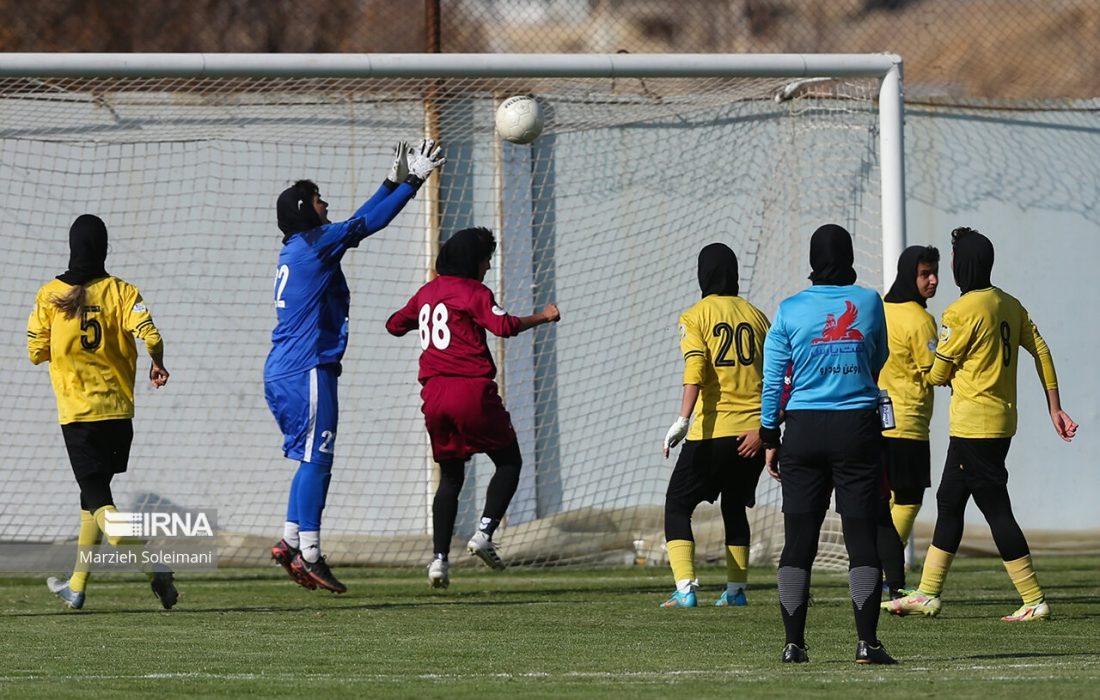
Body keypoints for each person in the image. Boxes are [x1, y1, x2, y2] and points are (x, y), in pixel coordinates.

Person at [266, 139, 446, 594]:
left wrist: (391, 180)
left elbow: (355, 224)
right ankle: (310, 552)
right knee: (318, 462)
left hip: (288, 368)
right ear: (307, 208)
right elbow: (372, 223)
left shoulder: (301, 247)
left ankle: (290, 543)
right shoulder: (315, 243)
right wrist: (415, 181)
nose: (326, 203)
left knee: (309, 459)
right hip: (307, 368)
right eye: (319, 197)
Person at [885, 227, 1077, 622]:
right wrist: (1054, 406)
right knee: (949, 502)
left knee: (995, 508)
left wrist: (945, 365)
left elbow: (938, 375)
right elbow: (1040, 348)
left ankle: (1033, 598)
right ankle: (928, 592)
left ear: (962, 266)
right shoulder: (1009, 303)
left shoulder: (961, 311)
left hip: (974, 425)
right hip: (1001, 422)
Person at [385, 227, 560, 589]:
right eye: (486, 260)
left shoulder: (427, 293)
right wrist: (543, 317)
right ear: (472, 261)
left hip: (434, 396)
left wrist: (421, 318)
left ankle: (438, 561)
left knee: (451, 477)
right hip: (470, 391)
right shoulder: (474, 292)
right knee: (509, 461)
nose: (487, 267)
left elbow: (393, 325)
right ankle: (484, 533)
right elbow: (504, 326)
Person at [759, 224, 896, 665]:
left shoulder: (789, 309)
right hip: (856, 428)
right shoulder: (870, 301)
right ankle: (866, 643)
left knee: (799, 541)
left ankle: (793, 644)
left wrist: (768, 435)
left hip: (802, 431)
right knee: (860, 538)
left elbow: (773, 378)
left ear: (814, 260)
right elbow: (878, 357)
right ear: (850, 255)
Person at [27, 214, 176, 610]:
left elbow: (34, 352)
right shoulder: (122, 291)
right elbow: (152, 336)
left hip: (79, 416)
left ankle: (151, 563)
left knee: (101, 506)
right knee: (92, 500)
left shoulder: (49, 296)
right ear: (104, 248)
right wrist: (156, 363)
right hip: (119, 415)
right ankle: (76, 586)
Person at [659, 243, 770, 608]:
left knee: (677, 504)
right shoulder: (757, 317)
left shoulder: (695, 316)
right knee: (735, 506)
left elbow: (695, 369)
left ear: (702, 274)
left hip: (712, 432)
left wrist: (681, 420)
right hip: (752, 435)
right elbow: (776, 375)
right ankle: (736, 591)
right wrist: (770, 431)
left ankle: (686, 589)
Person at [876, 245, 940, 598]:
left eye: (934, 272)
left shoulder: (880, 311)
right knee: (909, 499)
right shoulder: (920, 320)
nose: (932, 281)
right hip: (909, 420)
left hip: (876, 419)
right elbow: (933, 373)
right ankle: (883, 564)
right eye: (924, 274)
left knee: (885, 498)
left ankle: (878, 565)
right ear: (908, 276)